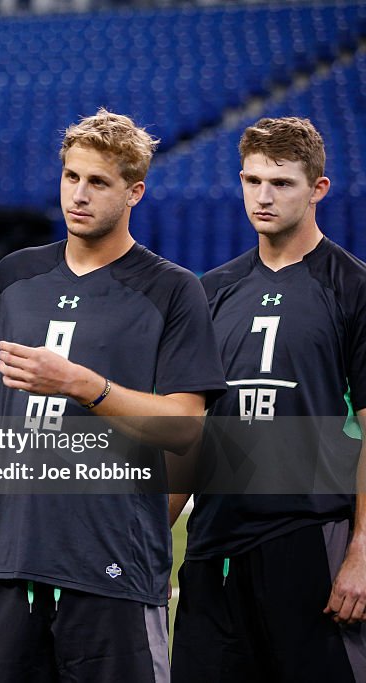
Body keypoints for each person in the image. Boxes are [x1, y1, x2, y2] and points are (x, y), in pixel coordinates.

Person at [0, 108, 226, 682]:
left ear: (134, 192)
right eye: (71, 176)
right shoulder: (16, 276)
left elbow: (184, 426)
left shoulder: (174, 291)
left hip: (114, 571)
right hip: (12, 564)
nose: (79, 194)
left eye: (98, 182)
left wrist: (84, 385)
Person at [171, 117, 366, 682]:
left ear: (318, 189)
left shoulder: (352, 289)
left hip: (311, 544)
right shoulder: (210, 292)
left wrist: (362, 550)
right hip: (213, 548)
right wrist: (152, 538)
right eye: (253, 181)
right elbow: (190, 430)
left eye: (281, 183)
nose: (264, 196)